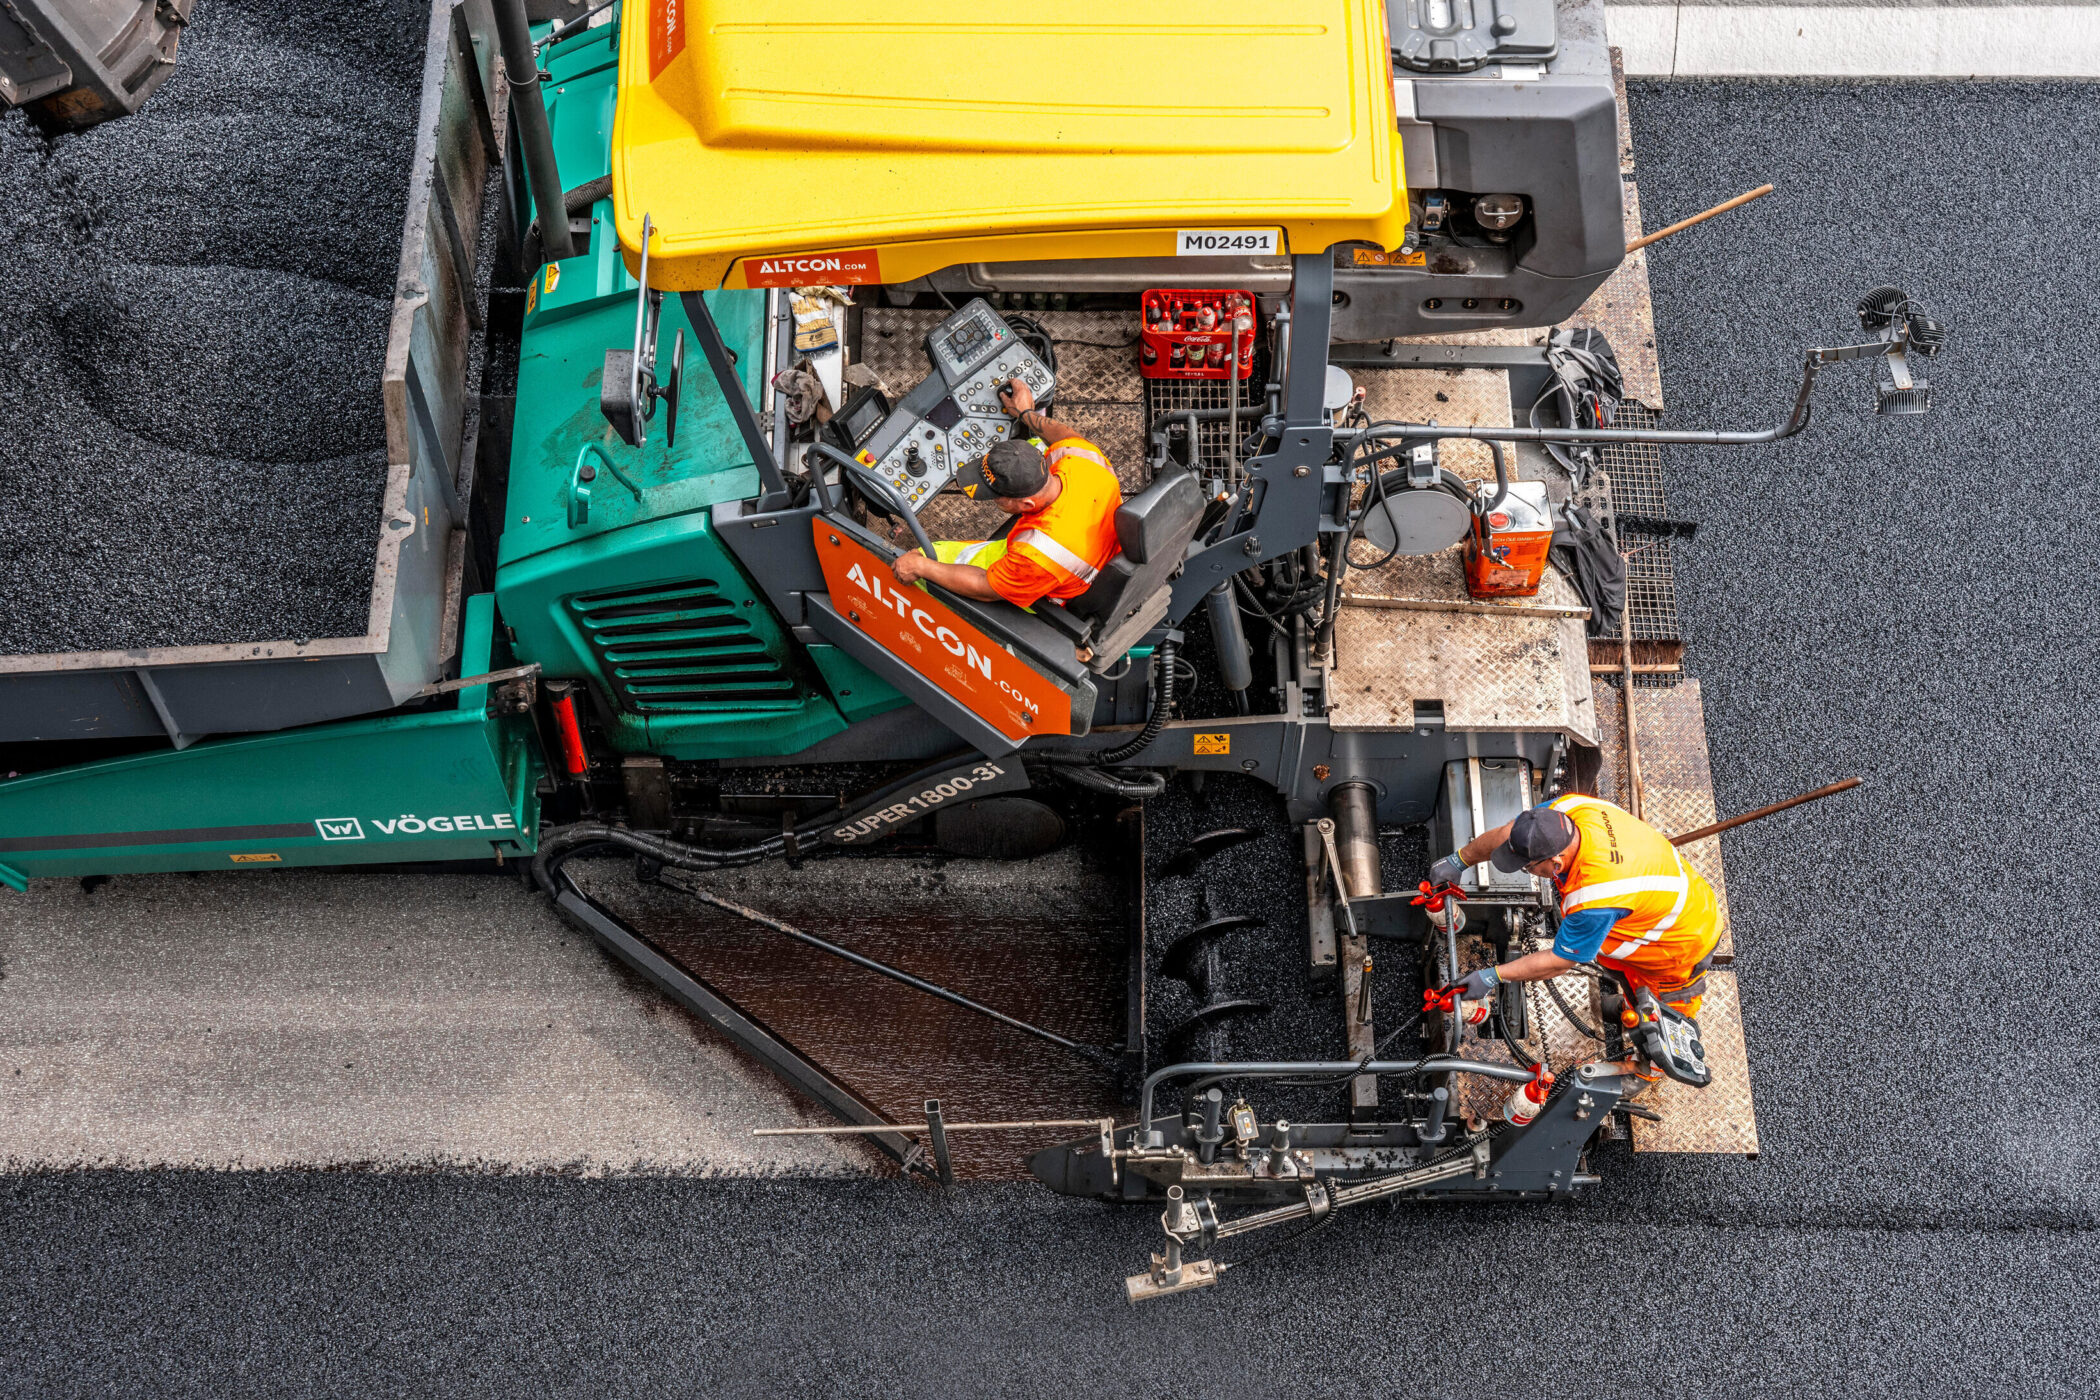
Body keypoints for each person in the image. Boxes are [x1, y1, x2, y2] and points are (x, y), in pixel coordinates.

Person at [1428, 794, 1720, 1020]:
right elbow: (1510, 833)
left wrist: (1493, 975)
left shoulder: (1595, 896)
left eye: (1527, 867)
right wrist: (1460, 859)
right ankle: (1628, 1003)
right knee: (1625, 976)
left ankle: (1641, 1073)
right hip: (1662, 898)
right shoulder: (1568, 811)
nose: (1524, 871)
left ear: (1555, 864)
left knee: (1661, 1017)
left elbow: (1560, 961)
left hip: (1679, 942)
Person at [889, 379, 1122, 608]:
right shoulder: (1083, 461)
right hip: (1094, 540)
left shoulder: (1038, 552)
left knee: (925, 560)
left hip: (1053, 584)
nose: (993, 500)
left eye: (997, 496)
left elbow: (985, 587)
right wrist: (1026, 413)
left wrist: (922, 568)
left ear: (1028, 505)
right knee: (1042, 440)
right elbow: (1066, 437)